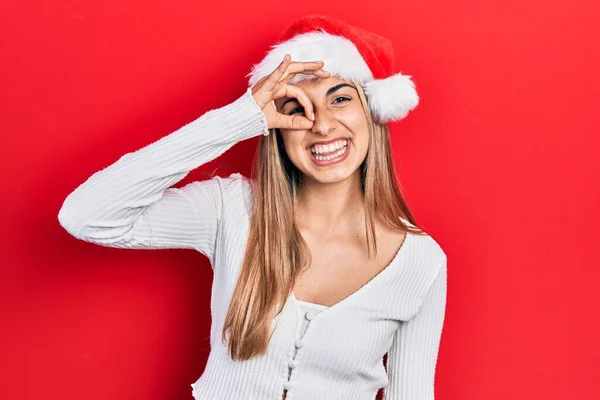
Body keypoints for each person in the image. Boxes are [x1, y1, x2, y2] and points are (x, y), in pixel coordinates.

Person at [58, 14, 447, 400]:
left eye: (340, 99)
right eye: (297, 108)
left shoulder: (419, 261)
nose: (322, 126)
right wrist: (240, 119)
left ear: (373, 113)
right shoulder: (230, 209)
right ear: (275, 125)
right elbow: (87, 216)